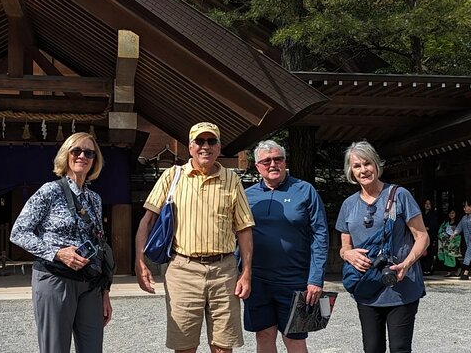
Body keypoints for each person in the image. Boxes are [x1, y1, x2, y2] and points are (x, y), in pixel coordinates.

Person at [135, 122, 255, 353]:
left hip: (224, 271)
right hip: (183, 269)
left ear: (219, 147)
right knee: (184, 345)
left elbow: (244, 229)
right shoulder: (173, 175)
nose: (205, 147)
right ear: (190, 147)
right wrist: (139, 262)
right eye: (199, 141)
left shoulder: (232, 180)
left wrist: (246, 272)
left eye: (211, 141)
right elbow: (146, 221)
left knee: (223, 346)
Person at [10, 132, 112, 352]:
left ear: (95, 160)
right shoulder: (50, 191)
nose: (82, 156)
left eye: (89, 153)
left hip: (90, 284)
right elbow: (18, 232)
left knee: (93, 348)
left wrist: (105, 291)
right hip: (55, 278)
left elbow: (100, 245)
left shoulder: (95, 199)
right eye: (76, 151)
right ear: (66, 155)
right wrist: (57, 253)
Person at [336, 141, 429, 353]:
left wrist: (407, 264)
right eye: (357, 166)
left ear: (377, 164)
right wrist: (348, 254)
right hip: (367, 286)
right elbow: (344, 246)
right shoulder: (348, 205)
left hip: (400, 285)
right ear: (350, 171)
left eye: (367, 163)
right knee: (372, 348)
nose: (363, 170)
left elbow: (422, 236)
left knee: (399, 348)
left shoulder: (399, 195)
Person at [243, 140, 329, 353]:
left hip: (296, 281)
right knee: (263, 336)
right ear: (257, 167)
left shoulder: (305, 190)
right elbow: (239, 235)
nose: (272, 164)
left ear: (284, 162)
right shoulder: (247, 195)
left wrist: (316, 278)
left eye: (278, 159)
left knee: (295, 340)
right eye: (266, 161)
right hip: (259, 281)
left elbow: (320, 235)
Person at [437, 207, 462, 277]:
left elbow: (459, 232)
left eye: (453, 213)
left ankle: (459, 269)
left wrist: (453, 237)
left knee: (454, 256)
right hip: (445, 243)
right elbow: (440, 231)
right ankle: (449, 272)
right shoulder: (445, 222)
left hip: (454, 242)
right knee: (446, 256)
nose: (451, 214)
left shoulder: (458, 223)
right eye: (450, 213)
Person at [420, 199, 439, 276]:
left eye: (429, 204)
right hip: (421, 236)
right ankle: (422, 268)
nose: (427, 205)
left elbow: (432, 226)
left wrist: (424, 228)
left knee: (429, 253)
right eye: (426, 203)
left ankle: (428, 269)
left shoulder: (433, 214)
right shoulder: (421, 213)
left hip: (430, 236)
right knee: (421, 253)